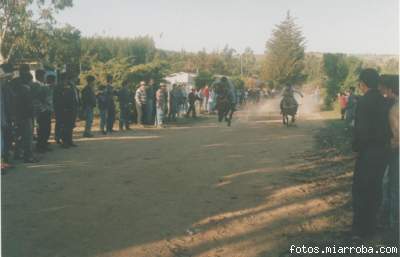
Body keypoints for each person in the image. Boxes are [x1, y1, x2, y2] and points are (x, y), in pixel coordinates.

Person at [352, 68, 390, 239]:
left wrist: (356, 148)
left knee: (361, 190)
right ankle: (371, 227)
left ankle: (360, 230)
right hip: (383, 151)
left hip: (367, 151)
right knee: (375, 189)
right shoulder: (385, 101)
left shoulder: (364, 101)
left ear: (362, 83)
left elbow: (360, 130)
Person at [379, 74, 399, 242]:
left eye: (383, 89)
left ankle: (393, 223)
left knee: (392, 185)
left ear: (390, 89)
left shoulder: (394, 109)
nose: (381, 92)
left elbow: (397, 137)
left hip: (396, 152)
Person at [14, 65, 38, 163]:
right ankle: (28, 156)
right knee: (28, 137)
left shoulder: (16, 86)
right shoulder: (26, 90)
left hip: (18, 116)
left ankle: (18, 153)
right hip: (26, 116)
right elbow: (29, 105)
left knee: (19, 136)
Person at [0, 63, 15, 169]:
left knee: (5, 141)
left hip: (4, 118)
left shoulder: (4, 89)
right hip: (3, 119)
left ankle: (4, 161)